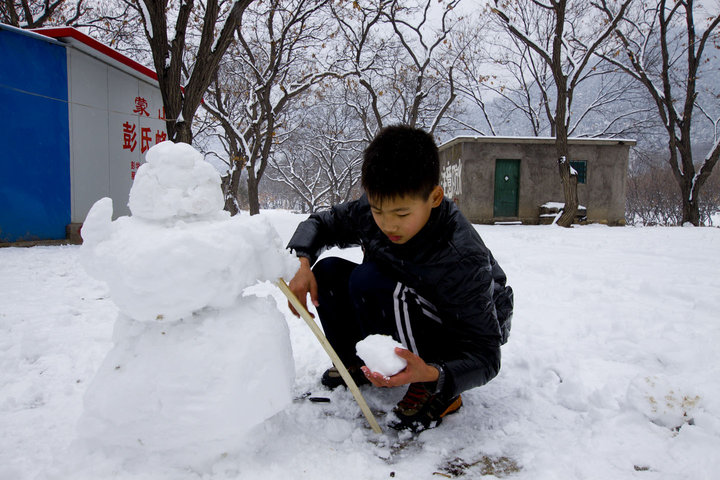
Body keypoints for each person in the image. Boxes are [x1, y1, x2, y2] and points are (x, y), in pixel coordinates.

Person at [286, 125, 513, 432]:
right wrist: (303, 263)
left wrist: (437, 373)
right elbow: (324, 223)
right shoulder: (374, 210)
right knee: (326, 272)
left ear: (434, 197)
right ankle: (355, 362)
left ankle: (432, 387)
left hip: (459, 328)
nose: (387, 224)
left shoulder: (461, 256)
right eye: (379, 211)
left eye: (402, 214)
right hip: (402, 293)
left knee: (370, 280)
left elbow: (486, 354)